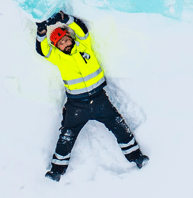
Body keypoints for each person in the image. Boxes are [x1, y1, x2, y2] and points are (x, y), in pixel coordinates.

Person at [35, 11, 148, 181]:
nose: (64, 44)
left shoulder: (83, 46)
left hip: (100, 99)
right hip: (76, 105)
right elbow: (42, 50)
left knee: (118, 124)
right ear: (56, 47)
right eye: (60, 43)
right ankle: (57, 170)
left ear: (70, 38)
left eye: (66, 39)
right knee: (67, 135)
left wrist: (64, 19)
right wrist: (42, 32)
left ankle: (136, 156)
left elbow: (82, 30)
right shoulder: (57, 57)